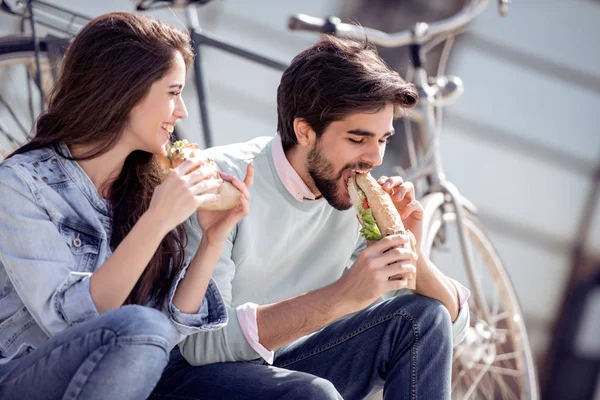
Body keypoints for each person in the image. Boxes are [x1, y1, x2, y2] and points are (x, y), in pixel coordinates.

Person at [151, 36, 470, 400]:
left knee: (420, 319)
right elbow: (202, 346)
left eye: (382, 140)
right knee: (312, 395)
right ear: (305, 131)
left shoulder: (351, 200)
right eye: (357, 139)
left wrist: (412, 257)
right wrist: (339, 298)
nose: (375, 158)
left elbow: (450, 331)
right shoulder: (220, 180)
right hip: (187, 378)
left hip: (288, 363)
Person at [0, 12, 253, 400]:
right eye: (172, 92)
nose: (182, 111)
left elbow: (167, 333)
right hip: (21, 377)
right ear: (126, 90)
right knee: (139, 325)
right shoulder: (19, 184)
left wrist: (212, 239)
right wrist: (157, 220)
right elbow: (68, 322)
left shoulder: (145, 188)